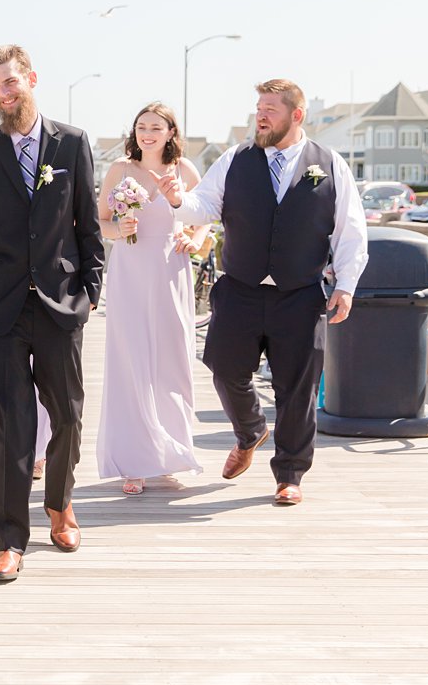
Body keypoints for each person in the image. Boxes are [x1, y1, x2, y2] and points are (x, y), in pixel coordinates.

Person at [157, 79, 368, 506]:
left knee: (298, 388)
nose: (261, 116)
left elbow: (351, 230)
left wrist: (345, 286)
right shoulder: (236, 158)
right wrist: (180, 200)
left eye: (270, 108)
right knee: (223, 367)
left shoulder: (329, 164)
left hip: (301, 294)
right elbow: (206, 205)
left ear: (296, 115)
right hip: (240, 290)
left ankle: (290, 474)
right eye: (259, 107)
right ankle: (251, 429)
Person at [0, 44, 104, 582]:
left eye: (10, 83)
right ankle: (8, 539)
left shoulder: (73, 142)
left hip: (61, 303)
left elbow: (87, 226)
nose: (3, 94)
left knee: (66, 413)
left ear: (31, 79)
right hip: (0, 309)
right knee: (13, 424)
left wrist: (88, 291)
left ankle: (60, 505)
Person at [95, 102, 205, 496]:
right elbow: (100, 224)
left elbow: (205, 216)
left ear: (171, 132)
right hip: (130, 270)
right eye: (142, 126)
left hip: (171, 271)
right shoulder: (120, 170)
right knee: (132, 362)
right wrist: (118, 226)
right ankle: (134, 461)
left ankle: (171, 455)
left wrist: (192, 239)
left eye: (156, 127)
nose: (148, 133)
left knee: (171, 363)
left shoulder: (186, 171)